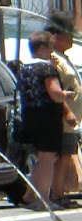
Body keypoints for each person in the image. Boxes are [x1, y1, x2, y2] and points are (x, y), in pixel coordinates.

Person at [16, 31, 75, 208]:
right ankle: (43, 199)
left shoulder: (24, 68)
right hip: (46, 118)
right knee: (47, 159)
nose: (52, 51)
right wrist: (67, 94)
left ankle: (29, 195)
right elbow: (55, 93)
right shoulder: (46, 68)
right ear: (42, 48)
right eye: (50, 47)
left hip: (29, 116)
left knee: (41, 159)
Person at [47, 22, 80, 201]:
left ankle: (60, 192)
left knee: (67, 156)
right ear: (57, 38)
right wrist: (66, 111)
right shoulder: (55, 60)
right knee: (62, 157)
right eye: (67, 35)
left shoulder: (63, 57)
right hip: (64, 120)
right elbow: (56, 89)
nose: (71, 39)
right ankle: (57, 194)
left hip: (73, 121)